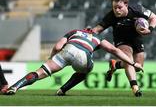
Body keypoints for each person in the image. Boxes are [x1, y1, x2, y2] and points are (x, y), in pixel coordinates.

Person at [4, 28, 143, 95]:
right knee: (86, 71)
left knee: (39, 72)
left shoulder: (74, 32)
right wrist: (132, 63)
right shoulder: (98, 38)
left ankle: (15, 86)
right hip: (83, 55)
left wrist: (51, 58)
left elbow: (58, 46)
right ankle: (62, 90)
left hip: (68, 50)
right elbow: (116, 51)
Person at [92, 0, 156, 97]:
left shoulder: (137, 9)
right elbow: (97, 29)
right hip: (121, 40)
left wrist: (150, 29)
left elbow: (154, 18)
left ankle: (115, 64)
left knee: (138, 67)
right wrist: (87, 33)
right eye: (114, 8)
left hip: (136, 39)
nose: (117, 10)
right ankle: (135, 88)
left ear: (126, 5)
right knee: (129, 60)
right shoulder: (111, 16)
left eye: (119, 7)